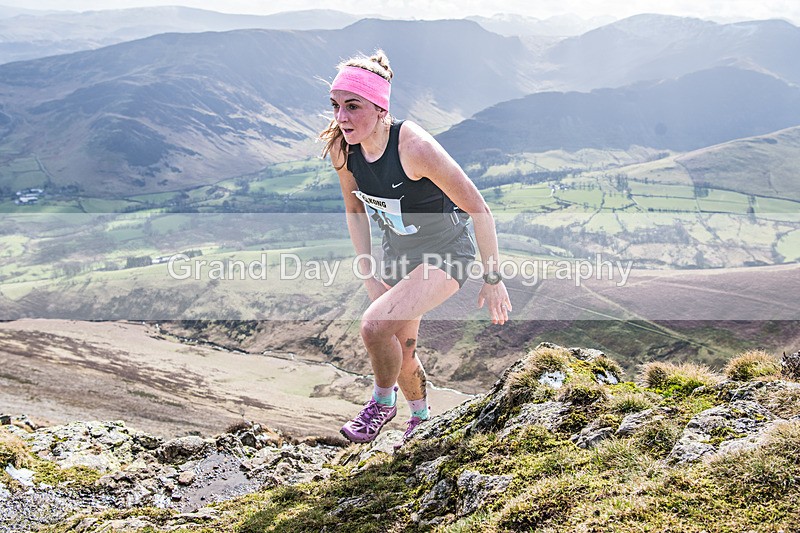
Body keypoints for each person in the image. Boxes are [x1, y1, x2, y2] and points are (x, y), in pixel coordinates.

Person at [319, 50, 512, 447]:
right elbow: (354, 209)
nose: (341, 118)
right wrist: (369, 271)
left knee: (374, 327)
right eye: (336, 106)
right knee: (401, 348)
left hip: (447, 253)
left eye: (352, 107)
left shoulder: (415, 148)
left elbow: (480, 209)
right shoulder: (344, 149)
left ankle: (381, 402)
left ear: (380, 106)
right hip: (399, 255)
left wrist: (493, 279)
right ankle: (422, 422)